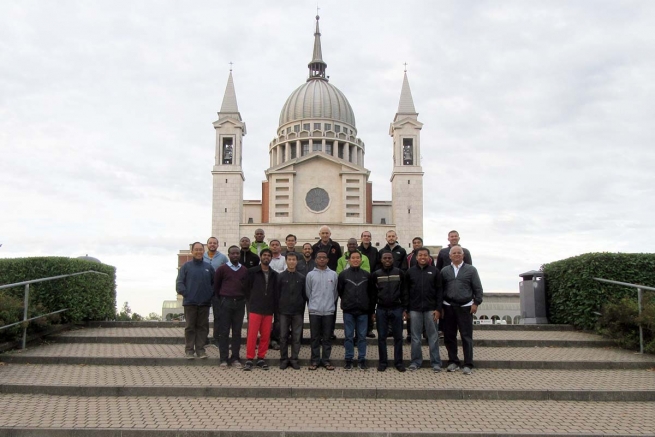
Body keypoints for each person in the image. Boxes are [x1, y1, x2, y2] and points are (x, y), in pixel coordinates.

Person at [441, 245, 483, 375]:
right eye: (454, 253)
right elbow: (440, 290)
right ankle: (453, 361)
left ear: (463, 255)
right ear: (450, 256)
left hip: (465, 307)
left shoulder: (471, 270)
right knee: (449, 336)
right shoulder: (444, 271)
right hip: (448, 307)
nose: (457, 255)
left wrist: (476, 303)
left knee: (466, 336)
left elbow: (478, 288)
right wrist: (440, 306)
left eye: (459, 253)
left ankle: (468, 364)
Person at [406, 247, 443, 372]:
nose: (422, 257)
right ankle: (415, 362)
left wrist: (438, 309)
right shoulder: (410, 272)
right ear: (416, 257)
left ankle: (436, 362)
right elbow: (406, 292)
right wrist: (407, 309)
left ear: (429, 257)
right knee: (415, 337)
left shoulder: (435, 271)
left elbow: (439, 292)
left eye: (425, 255)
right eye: (420, 255)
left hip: (431, 309)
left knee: (433, 337)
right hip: (414, 309)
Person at [370, 251, 408, 372]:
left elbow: (404, 292)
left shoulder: (400, 273)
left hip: (397, 308)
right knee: (381, 337)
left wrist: (405, 309)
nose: (387, 260)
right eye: (385, 258)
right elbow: (372, 295)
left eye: (389, 258)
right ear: (381, 260)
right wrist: (372, 311)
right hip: (381, 309)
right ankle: (383, 362)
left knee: (398, 337)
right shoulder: (376, 274)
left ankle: (399, 362)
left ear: (393, 259)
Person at [176, 242, 214, 359]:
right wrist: (187, 294)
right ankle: (189, 350)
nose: (198, 252)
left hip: (204, 303)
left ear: (204, 251)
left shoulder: (208, 267)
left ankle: (200, 350)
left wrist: (209, 295)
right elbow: (179, 283)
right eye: (196, 250)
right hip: (190, 303)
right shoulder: (186, 267)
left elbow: (215, 284)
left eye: (200, 250)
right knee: (190, 327)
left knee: (203, 327)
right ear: (192, 252)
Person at [243, 248, 278, 371]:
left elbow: (275, 293)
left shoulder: (275, 274)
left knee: (265, 335)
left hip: (268, 309)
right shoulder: (252, 272)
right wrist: (252, 300)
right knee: (252, 335)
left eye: (269, 255)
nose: (266, 257)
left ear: (271, 258)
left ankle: (261, 358)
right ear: (261, 256)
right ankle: (249, 359)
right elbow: (246, 288)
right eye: (264, 255)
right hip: (255, 308)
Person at [213, 245, 248, 368]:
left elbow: (246, 287)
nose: (235, 255)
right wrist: (221, 300)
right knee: (224, 332)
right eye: (232, 253)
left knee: (237, 332)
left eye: (237, 253)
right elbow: (216, 287)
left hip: (239, 303)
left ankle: (235, 358)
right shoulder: (221, 269)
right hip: (225, 303)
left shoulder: (244, 270)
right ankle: (223, 359)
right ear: (228, 255)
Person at [337, 251, 373, 370]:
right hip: (348, 311)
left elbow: (370, 292)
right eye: (353, 258)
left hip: (363, 311)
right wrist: (348, 302)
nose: (356, 260)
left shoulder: (367, 275)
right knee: (348, 336)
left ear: (361, 260)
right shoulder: (343, 275)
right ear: (349, 260)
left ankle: (362, 359)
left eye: (358, 258)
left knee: (362, 337)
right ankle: (349, 359)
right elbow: (341, 291)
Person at [306, 250, 338, 370]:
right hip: (314, 311)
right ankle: (314, 360)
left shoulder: (333, 275)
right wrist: (314, 304)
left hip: (329, 311)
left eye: (324, 257)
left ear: (328, 260)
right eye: (319, 257)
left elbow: (335, 293)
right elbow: (308, 293)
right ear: (316, 259)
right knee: (314, 337)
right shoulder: (310, 275)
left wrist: (329, 304)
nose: (322, 259)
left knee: (327, 337)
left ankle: (326, 361)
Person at [276, 252, 307, 370]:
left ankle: (294, 359)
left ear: (297, 261)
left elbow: (304, 295)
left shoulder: (301, 277)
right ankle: (284, 359)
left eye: (294, 259)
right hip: (283, 311)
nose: (292, 262)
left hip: (297, 312)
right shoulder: (280, 276)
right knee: (283, 336)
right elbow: (277, 294)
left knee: (296, 337)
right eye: (289, 259)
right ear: (286, 261)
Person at [358, 230, 379, 338]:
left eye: (368, 236)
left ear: (370, 238)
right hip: (359, 281)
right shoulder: (357, 250)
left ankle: (370, 329)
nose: (366, 238)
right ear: (361, 238)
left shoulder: (375, 251)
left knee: (371, 305)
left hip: (371, 281)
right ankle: (360, 329)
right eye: (364, 236)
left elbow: (378, 265)